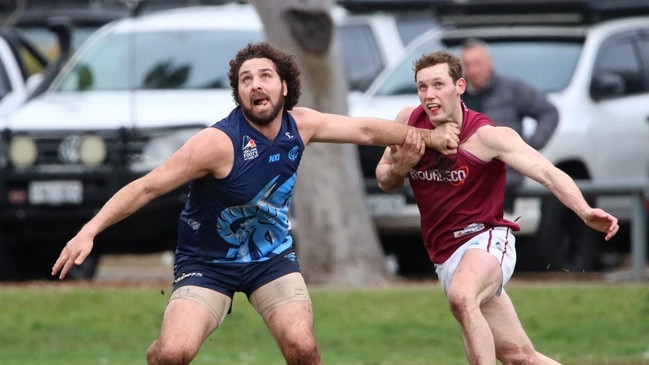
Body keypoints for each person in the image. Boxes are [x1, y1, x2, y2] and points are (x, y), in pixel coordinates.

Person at [51, 42, 459, 365]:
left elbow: (368, 131)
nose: (255, 84)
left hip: (271, 259)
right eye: (246, 79)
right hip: (207, 265)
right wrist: (89, 230)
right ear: (239, 92)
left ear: (284, 86)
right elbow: (147, 187)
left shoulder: (303, 124)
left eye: (265, 75)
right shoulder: (217, 143)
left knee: (302, 349)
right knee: (174, 354)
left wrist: (428, 137)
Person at [375, 50, 619, 364]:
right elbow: (384, 178)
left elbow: (547, 172)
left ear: (459, 86)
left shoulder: (487, 136)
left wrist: (585, 211)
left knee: (462, 297)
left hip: (485, 239)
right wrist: (400, 167)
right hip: (445, 254)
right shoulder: (409, 123)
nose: (429, 95)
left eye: (438, 85)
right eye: (423, 87)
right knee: (518, 356)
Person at [461, 38, 559, 210]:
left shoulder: (511, 89)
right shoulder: (457, 95)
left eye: (477, 63)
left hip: (505, 180)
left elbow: (549, 112)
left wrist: (530, 146)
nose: (473, 70)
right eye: (467, 65)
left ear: (489, 62)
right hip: (466, 180)